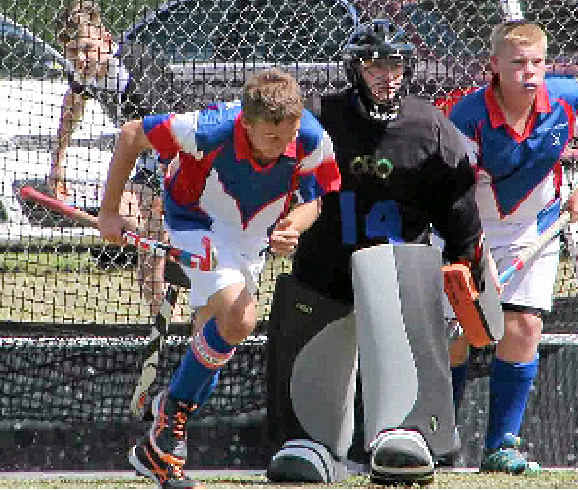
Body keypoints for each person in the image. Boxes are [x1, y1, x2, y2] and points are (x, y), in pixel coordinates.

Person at [263, 19, 485, 485]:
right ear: (355, 69)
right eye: (374, 64)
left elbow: (459, 204)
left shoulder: (429, 125)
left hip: (397, 273)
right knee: (312, 319)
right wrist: (273, 224)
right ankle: (312, 440)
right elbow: (278, 175)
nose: (387, 75)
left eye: (395, 64)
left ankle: (404, 430)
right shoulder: (319, 117)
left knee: (401, 300)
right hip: (326, 265)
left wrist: (465, 261)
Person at [96, 68, 340, 489]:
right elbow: (132, 134)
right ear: (247, 123)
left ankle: (158, 447)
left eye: (288, 137)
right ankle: (168, 423)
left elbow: (314, 200)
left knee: (212, 343)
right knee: (241, 318)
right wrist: (109, 211)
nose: (281, 148)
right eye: (271, 138)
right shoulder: (207, 129)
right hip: (197, 223)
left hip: (253, 237)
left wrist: (293, 227)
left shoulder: (311, 138)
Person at [446, 20, 578, 474]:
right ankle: (441, 438)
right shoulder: (467, 118)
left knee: (524, 326)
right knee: (457, 334)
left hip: (534, 228)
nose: (530, 72)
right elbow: (455, 194)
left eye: (538, 62)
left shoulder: (570, 97)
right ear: (494, 66)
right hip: (470, 227)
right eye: (519, 63)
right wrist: (474, 252)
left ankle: (502, 445)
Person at [51, 0, 179, 327]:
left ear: (107, 41)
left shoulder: (135, 71)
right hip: (151, 162)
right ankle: (169, 333)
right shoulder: (83, 70)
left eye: (87, 49)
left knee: (150, 241)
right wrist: (58, 164)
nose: (80, 59)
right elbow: (72, 104)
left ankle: (177, 253)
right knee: (148, 268)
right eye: (72, 52)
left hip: (186, 159)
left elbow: (172, 135)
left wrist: (169, 197)